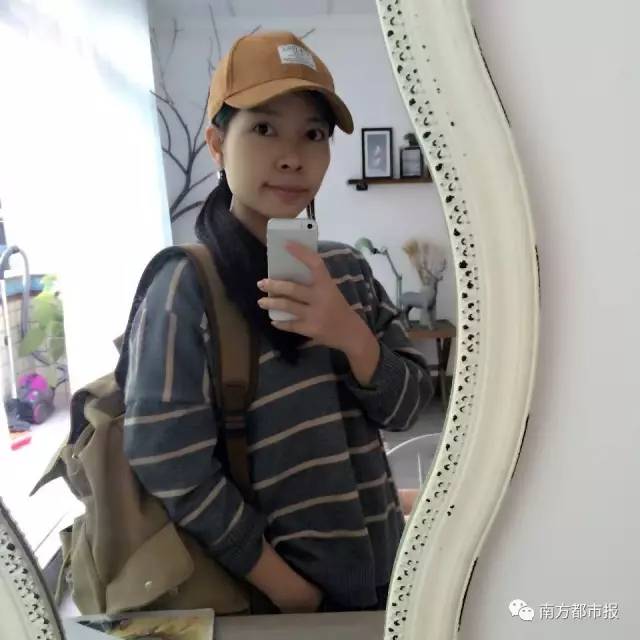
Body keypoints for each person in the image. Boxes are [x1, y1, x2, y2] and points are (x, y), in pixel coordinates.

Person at [122, 30, 433, 614]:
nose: (293, 156)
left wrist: (351, 335)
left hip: (386, 578)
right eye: (264, 128)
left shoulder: (348, 270)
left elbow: (408, 408)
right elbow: (168, 461)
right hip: (273, 601)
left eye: (313, 134)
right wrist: (291, 593)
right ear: (217, 144)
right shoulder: (185, 286)